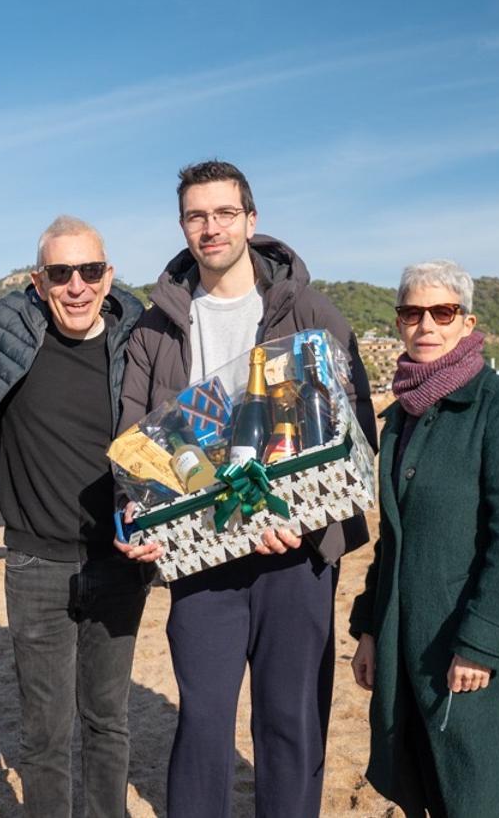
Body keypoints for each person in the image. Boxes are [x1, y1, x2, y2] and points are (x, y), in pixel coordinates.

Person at [117, 160, 377, 817]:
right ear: (183, 225)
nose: (211, 227)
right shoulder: (156, 326)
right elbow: (136, 446)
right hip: (203, 562)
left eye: (224, 213)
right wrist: (137, 516)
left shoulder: (311, 311)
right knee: (202, 723)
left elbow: (354, 433)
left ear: (251, 220)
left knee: (290, 723)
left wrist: (312, 520)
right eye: (197, 216)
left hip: (295, 556)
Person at [349, 260, 499, 818]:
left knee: (486, 794)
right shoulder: (403, 416)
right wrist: (367, 627)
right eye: (413, 312)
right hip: (405, 642)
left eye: (443, 311)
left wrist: (481, 642)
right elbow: (393, 537)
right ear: (398, 323)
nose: (427, 325)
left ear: (468, 321)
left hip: (469, 644)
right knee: (425, 785)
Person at [0, 215, 150, 817]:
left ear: (109, 275)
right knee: (43, 734)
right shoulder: (4, 330)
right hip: (33, 562)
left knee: (107, 720)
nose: (77, 286)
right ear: (38, 281)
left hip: (118, 560)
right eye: (61, 273)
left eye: (90, 271)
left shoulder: (138, 340)